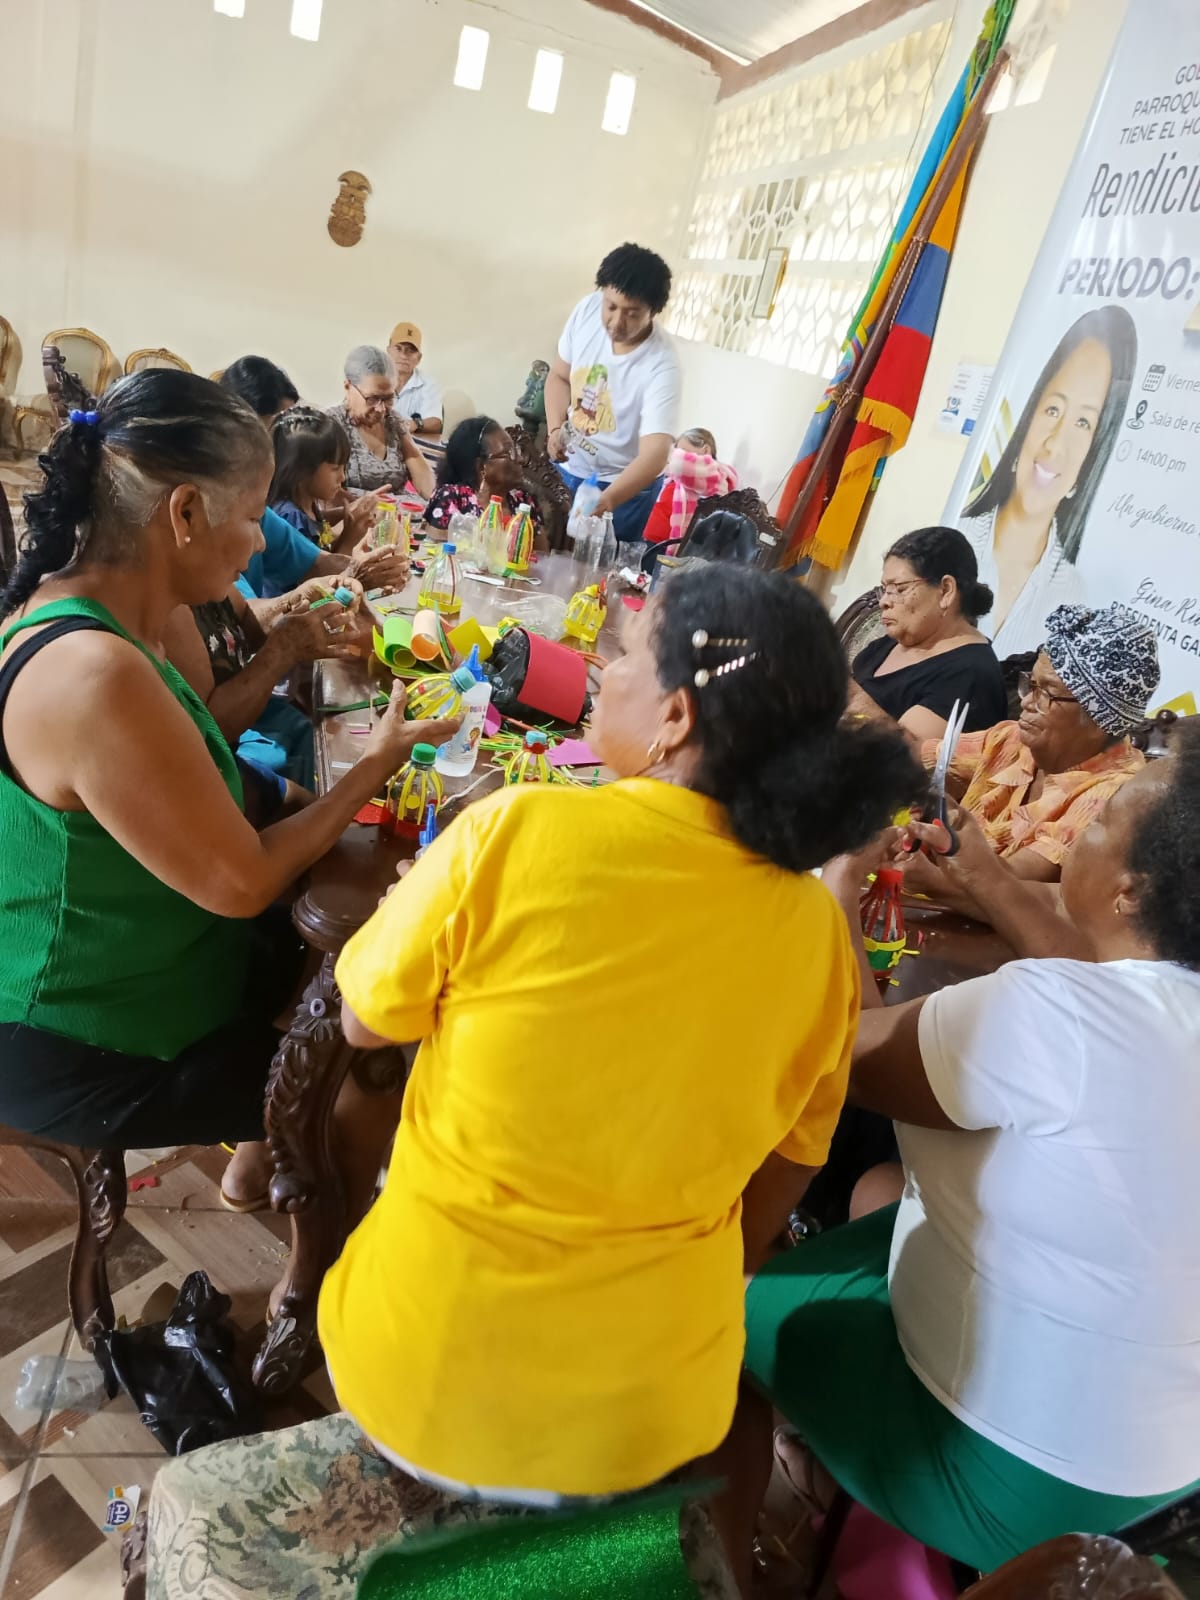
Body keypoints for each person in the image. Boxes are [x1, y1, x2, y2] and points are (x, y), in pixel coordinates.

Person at [317, 565, 923, 1504]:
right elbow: (791, 1166)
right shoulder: (816, 932)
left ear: (676, 716)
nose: (603, 667)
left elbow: (363, 1022)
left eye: (629, 651)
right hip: (650, 1413)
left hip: (428, 1374)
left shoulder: (512, 831)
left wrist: (427, 918)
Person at [723, 721, 1200, 1591]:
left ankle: (751, 1535)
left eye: (1099, 821)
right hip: (1165, 1486)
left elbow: (847, 1054)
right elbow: (1109, 980)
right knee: (882, 1192)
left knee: (720, 1304)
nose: (1083, 829)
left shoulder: (1060, 1018)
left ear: (1131, 891)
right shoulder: (1163, 1006)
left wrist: (839, 885)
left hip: (1022, 1482)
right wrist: (982, 872)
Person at [0, 371, 456, 1211]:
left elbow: (202, 762)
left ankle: (256, 1169)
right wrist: (375, 763)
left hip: (146, 951)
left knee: (344, 941)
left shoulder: (136, 613)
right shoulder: (94, 674)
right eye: (251, 516)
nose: (257, 544)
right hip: (79, 1030)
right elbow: (241, 883)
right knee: (369, 1068)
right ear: (184, 514)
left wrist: (312, 800)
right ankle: (318, 1273)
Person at [906, 601, 1159, 889]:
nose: (1026, 702)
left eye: (1046, 694)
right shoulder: (1011, 740)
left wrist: (949, 836)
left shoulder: (1114, 795)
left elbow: (1009, 887)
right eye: (1031, 684)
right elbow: (911, 758)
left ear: (1099, 718)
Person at [956, 306, 1137, 653]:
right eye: (1053, 409)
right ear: (1029, 417)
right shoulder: (954, 538)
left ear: (1095, 452)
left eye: (1083, 423)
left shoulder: (1075, 597)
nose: (1055, 443)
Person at [219, 356, 409, 599]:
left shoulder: (261, 508)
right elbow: (252, 611)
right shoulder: (228, 506)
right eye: (277, 423)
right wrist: (352, 548)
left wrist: (367, 568)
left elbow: (314, 562)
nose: (285, 434)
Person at [164, 573, 372, 790]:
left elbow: (242, 619)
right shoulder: (168, 612)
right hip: (213, 770)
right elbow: (212, 731)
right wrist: (284, 649)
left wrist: (292, 602)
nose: (259, 545)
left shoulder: (204, 567)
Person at [546, 242, 681, 543]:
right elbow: (558, 377)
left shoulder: (662, 365)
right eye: (611, 307)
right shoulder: (586, 310)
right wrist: (555, 429)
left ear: (653, 312)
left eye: (632, 314)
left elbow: (655, 455)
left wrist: (607, 501)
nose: (616, 322)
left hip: (622, 490)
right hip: (567, 470)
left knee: (601, 569)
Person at [849, 526, 1008, 741]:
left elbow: (909, 753)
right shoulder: (890, 643)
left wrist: (846, 694)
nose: (884, 601)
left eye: (899, 588)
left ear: (945, 591)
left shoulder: (971, 674)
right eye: (885, 589)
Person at [328, 346, 435, 502]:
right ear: (348, 387)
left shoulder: (393, 421)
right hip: (359, 512)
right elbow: (325, 492)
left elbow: (418, 465)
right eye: (372, 399)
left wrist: (436, 502)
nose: (381, 409)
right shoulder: (331, 424)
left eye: (388, 399)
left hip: (401, 512)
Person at [423, 415, 542, 535]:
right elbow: (434, 544)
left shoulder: (523, 500)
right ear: (481, 467)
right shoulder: (452, 498)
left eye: (516, 450)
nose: (521, 459)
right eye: (509, 453)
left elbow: (541, 547)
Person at [268, 406, 358, 549]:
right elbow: (319, 564)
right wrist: (351, 537)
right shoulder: (289, 518)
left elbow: (324, 550)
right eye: (335, 468)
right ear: (301, 470)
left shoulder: (308, 506)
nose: (342, 477)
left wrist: (348, 523)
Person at [643, 428, 736, 547]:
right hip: (654, 540)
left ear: (705, 450)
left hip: (667, 544)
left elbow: (676, 464)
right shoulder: (687, 474)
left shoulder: (713, 475)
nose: (678, 455)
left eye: (683, 452)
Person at [388, 321, 443, 438]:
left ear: (419, 358)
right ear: (388, 350)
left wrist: (415, 424)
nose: (404, 356)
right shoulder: (374, 379)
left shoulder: (428, 384)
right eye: (398, 349)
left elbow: (436, 423)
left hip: (412, 445)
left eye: (410, 350)